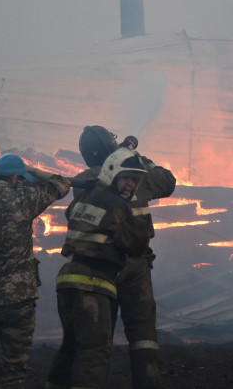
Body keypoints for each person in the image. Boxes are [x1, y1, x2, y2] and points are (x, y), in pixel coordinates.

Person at [74, 125, 176, 389]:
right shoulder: (137, 176)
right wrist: (135, 157)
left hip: (100, 268)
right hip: (135, 266)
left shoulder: (83, 181)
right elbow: (168, 181)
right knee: (143, 338)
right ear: (111, 146)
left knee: (97, 339)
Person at [0, 153, 71, 389]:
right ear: (15, 177)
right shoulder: (23, 199)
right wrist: (33, 170)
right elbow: (61, 184)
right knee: (13, 370)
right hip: (17, 301)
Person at [45, 147, 152, 389]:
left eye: (134, 180)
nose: (130, 185)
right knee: (95, 353)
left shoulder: (84, 198)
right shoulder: (118, 206)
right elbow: (137, 246)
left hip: (67, 282)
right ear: (111, 173)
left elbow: (70, 214)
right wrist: (138, 219)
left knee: (70, 347)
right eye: (126, 178)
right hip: (92, 285)